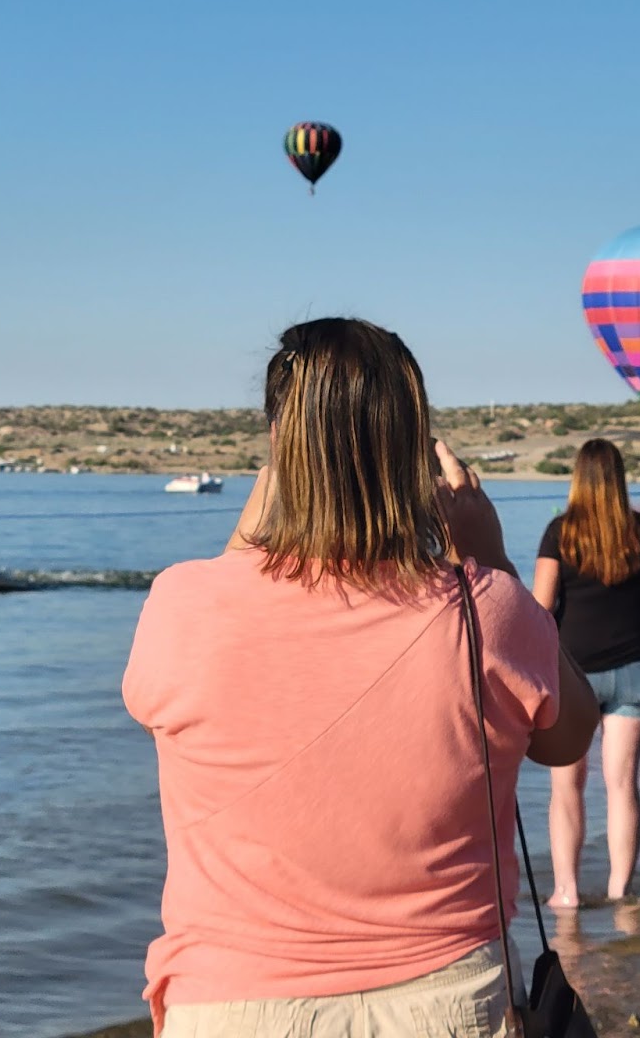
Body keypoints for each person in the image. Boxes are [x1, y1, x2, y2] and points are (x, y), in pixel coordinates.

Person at [123, 318, 598, 1038]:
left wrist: (252, 530)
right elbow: (569, 737)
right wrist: (492, 558)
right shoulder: (485, 606)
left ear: (279, 445)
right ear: (412, 449)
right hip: (445, 1003)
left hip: (233, 1005)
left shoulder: (183, 604)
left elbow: (171, 717)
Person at [533, 438, 640, 907]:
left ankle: (567, 892)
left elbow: (540, 609)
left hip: (571, 674)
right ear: (620, 479)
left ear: (578, 478)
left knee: (566, 787)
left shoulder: (561, 532)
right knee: (622, 785)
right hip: (636, 671)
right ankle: (619, 892)